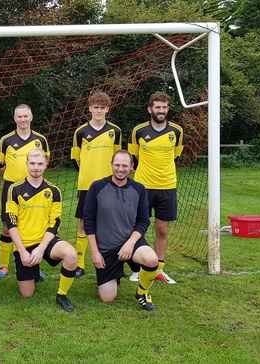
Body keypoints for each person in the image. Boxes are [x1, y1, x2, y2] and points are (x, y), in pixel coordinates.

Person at [84, 150, 160, 310]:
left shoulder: (139, 189)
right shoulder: (97, 187)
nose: (120, 169)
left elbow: (143, 221)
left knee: (152, 260)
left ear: (132, 167)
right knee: (107, 298)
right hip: (106, 248)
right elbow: (88, 222)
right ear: (111, 165)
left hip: (131, 243)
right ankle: (115, 274)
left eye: (125, 165)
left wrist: (131, 243)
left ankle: (142, 292)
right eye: (117, 165)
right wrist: (95, 252)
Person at [4, 149, 77, 312]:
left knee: (71, 255)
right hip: (23, 244)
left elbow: (55, 223)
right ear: (26, 164)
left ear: (46, 165)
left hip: (46, 241)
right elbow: (11, 222)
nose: (36, 167)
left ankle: (62, 295)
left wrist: (41, 248)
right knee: (27, 294)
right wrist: (22, 251)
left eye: (39, 164)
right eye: (32, 163)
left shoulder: (54, 190)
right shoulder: (15, 189)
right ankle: (33, 271)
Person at [128, 92, 184, 284]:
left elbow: (176, 155)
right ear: (150, 109)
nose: (161, 111)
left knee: (162, 230)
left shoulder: (176, 131)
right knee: (138, 228)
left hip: (167, 186)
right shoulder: (139, 131)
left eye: (164, 107)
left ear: (168, 109)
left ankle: (158, 269)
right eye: (158, 107)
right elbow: (133, 158)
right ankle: (138, 268)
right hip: (142, 187)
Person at [0, 104, 50, 280]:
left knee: (32, 228)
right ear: (15, 118)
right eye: (19, 116)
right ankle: (4, 266)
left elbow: (45, 160)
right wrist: (14, 176)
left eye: (26, 116)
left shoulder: (40, 139)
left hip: (35, 189)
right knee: (7, 227)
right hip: (11, 189)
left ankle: (33, 265)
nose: (23, 120)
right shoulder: (6, 140)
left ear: (31, 117)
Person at [70, 91, 121, 278]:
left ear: (107, 109)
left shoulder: (115, 131)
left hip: (110, 185)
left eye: (102, 107)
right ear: (90, 108)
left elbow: (118, 158)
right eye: (95, 107)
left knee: (110, 223)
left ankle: (110, 260)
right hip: (86, 186)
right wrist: (88, 174)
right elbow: (76, 159)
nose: (98, 111)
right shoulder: (80, 132)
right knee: (83, 223)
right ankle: (80, 264)